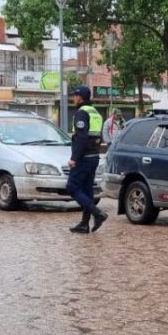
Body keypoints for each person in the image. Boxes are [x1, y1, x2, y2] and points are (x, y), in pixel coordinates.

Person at [67, 86, 108, 233]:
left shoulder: (82, 112)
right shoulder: (95, 112)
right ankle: (84, 224)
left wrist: (74, 158)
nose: (73, 98)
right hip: (94, 156)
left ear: (80, 97)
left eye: (75, 95)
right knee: (86, 190)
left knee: (72, 187)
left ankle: (98, 214)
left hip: (84, 158)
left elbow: (81, 137)